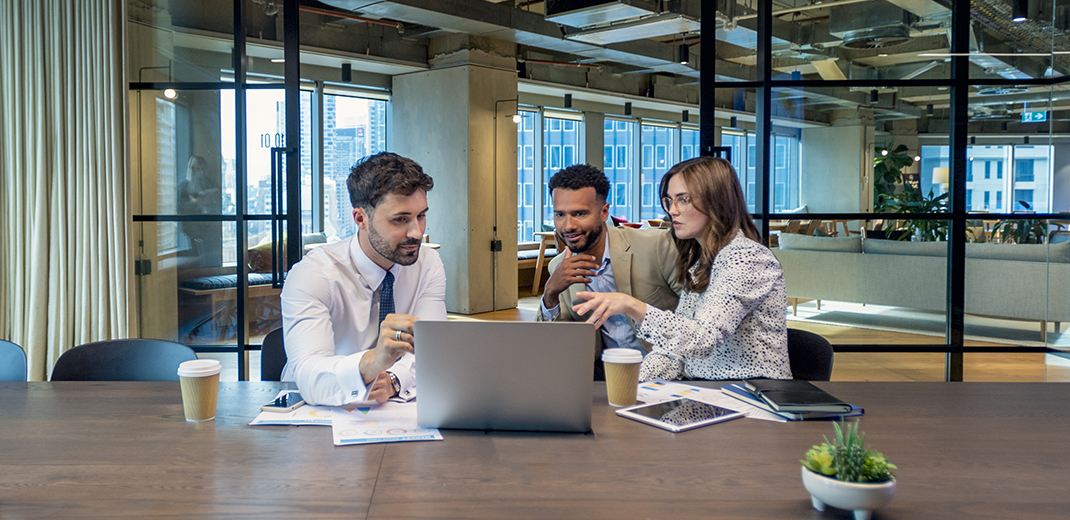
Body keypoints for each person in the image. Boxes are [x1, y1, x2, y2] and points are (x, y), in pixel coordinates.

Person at [572, 156, 792, 381]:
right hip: (709, 394)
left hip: (753, 395)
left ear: (717, 200)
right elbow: (675, 351)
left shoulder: (746, 258)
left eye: (683, 199)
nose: (673, 210)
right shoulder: (701, 263)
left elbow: (703, 339)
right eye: (669, 200)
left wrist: (631, 305)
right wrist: (628, 385)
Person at [280, 152, 446, 406]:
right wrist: (371, 363)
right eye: (401, 220)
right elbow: (307, 371)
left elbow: (434, 351)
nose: (417, 232)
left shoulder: (428, 265)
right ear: (360, 218)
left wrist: (393, 378)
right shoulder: (313, 275)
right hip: (318, 412)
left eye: (421, 216)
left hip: (394, 408)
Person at [538, 164, 681, 376]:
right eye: (560, 214)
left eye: (579, 213)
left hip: (671, 372)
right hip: (608, 377)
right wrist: (550, 293)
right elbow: (555, 345)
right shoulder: (559, 267)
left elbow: (699, 318)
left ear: (604, 211)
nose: (567, 225)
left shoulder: (656, 246)